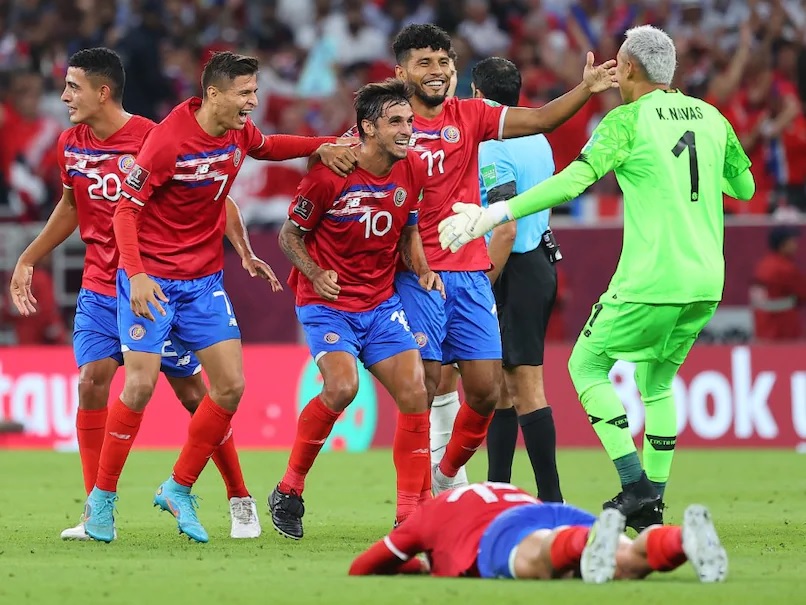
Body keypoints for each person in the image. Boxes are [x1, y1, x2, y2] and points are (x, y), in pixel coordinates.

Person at [438, 25, 755, 530]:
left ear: (628, 68)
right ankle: (652, 508)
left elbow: (574, 181)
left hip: (652, 277)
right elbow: (744, 185)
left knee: (586, 367)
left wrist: (495, 215)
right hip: (706, 280)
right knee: (657, 382)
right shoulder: (713, 118)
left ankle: (635, 486)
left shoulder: (625, 121)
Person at [81, 51, 355, 544]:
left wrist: (326, 144)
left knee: (229, 387)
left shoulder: (238, 133)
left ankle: (178, 486)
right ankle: (100, 502)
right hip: (153, 282)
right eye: (245, 94)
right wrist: (138, 274)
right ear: (213, 94)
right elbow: (124, 212)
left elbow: (269, 146)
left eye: (255, 91)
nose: (253, 102)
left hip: (203, 283)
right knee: (139, 387)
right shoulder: (166, 141)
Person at [335, 24, 617, 496]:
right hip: (416, 273)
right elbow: (342, 177)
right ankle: (414, 503)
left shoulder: (472, 114)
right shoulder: (388, 128)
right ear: (401, 71)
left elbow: (543, 119)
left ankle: (447, 475)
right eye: (424, 63)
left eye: (444, 62)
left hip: (470, 272)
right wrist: (325, 154)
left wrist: (585, 89)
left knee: (487, 393)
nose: (438, 71)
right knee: (423, 388)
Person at [8, 48, 273, 541]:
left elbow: (216, 193)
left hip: (154, 284)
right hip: (100, 288)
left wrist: (241, 249)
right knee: (91, 382)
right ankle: (95, 513)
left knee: (197, 395)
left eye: (72, 87)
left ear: (102, 92)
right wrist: (29, 256)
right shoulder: (72, 144)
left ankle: (239, 496)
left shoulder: (153, 137)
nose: (64, 96)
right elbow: (70, 206)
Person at [269, 79, 443, 540]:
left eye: (409, 121)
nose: (408, 130)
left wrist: (423, 269)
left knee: (416, 393)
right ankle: (289, 489)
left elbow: (408, 229)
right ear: (368, 127)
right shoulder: (330, 173)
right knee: (342, 387)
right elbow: (289, 236)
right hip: (328, 305)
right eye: (396, 122)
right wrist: (314, 271)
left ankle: (408, 517)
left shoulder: (412, 170)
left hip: (380, 303)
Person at [472, 57, 563, 502]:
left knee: (525, 386)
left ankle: (552, 502)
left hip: (513, 264)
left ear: (476, 95)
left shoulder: (492, 144)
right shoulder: (537, 137)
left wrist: (484, 282)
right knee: (505, 388)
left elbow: (504, 225)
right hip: (538, 259)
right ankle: (499, 491)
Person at [349, 481, 727, 584]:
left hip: (501, 532)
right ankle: (682, 540)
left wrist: (422, 567)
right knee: (626, 562)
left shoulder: (428, 514)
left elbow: (363, 566)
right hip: (549, 509)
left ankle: (584, 545)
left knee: (540, 558)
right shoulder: (498, 487)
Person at [750, 225, 806, 341]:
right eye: (792, 241)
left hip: (762, 327)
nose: (796, 245)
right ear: (782, 244)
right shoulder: (784, 268)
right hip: (783, 329)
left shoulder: (763, 264)